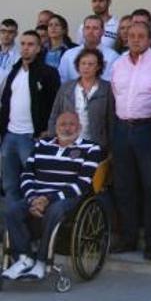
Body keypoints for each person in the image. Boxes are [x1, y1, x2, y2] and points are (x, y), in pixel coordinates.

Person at [1, 112, 102, 281]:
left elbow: (83, 183)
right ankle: (24, 258)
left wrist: (49, 199)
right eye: (62, 124)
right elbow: (27, 174)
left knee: (54, 210)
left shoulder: (90, 148)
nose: (67, 128)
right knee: (11, 210)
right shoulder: (42, 144)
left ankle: (42, 261)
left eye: (71, 124)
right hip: (37, 196)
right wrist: (33, 198)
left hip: (67, 197)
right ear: (56, 127)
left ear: (79, 127)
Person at [110, 22, 151, 258]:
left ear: (150, 38)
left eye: (141, 36)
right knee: (124, 187)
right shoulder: (119, 63)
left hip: (149, 128)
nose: (135, 39)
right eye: (131, 36)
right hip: (122, 129)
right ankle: (128, 238)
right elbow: (115, 95)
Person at [0, 30, 60, 200]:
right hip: (10, 136)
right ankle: (12, 225)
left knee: (33, 184)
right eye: (23, 44)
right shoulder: (14, 71)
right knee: (9, 184)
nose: (26, 48)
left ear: (39, 48)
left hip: (31, 137)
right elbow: (5, 103)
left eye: (31, 44)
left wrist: (46, 131)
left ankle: (31, 223)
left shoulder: (48, 73)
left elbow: (55, 105)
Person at [48, 48, 114, 149]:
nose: (86, 67)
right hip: (68, 142)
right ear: (78, 65)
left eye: (90, 64)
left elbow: (112, 120)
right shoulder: (66, 87)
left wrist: (110, 146)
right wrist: (52, 139)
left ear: (98, 67)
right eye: (83, 63)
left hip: (96, 144)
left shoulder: (107, 89)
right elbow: (55, 114)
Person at [58, 15, 120, 83]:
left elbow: (112, 84)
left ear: (102, 32)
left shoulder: (113, 57)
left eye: (95, 28)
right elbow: (62, 82)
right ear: (83, 31)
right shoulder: (68, 55)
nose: (91, 31)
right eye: (87, 28)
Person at [0, 18, 20, 92]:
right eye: (3, 31)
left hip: (7, 96)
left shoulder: (20, 56)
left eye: (10, 32)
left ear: (16, 34)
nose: (6, 35)